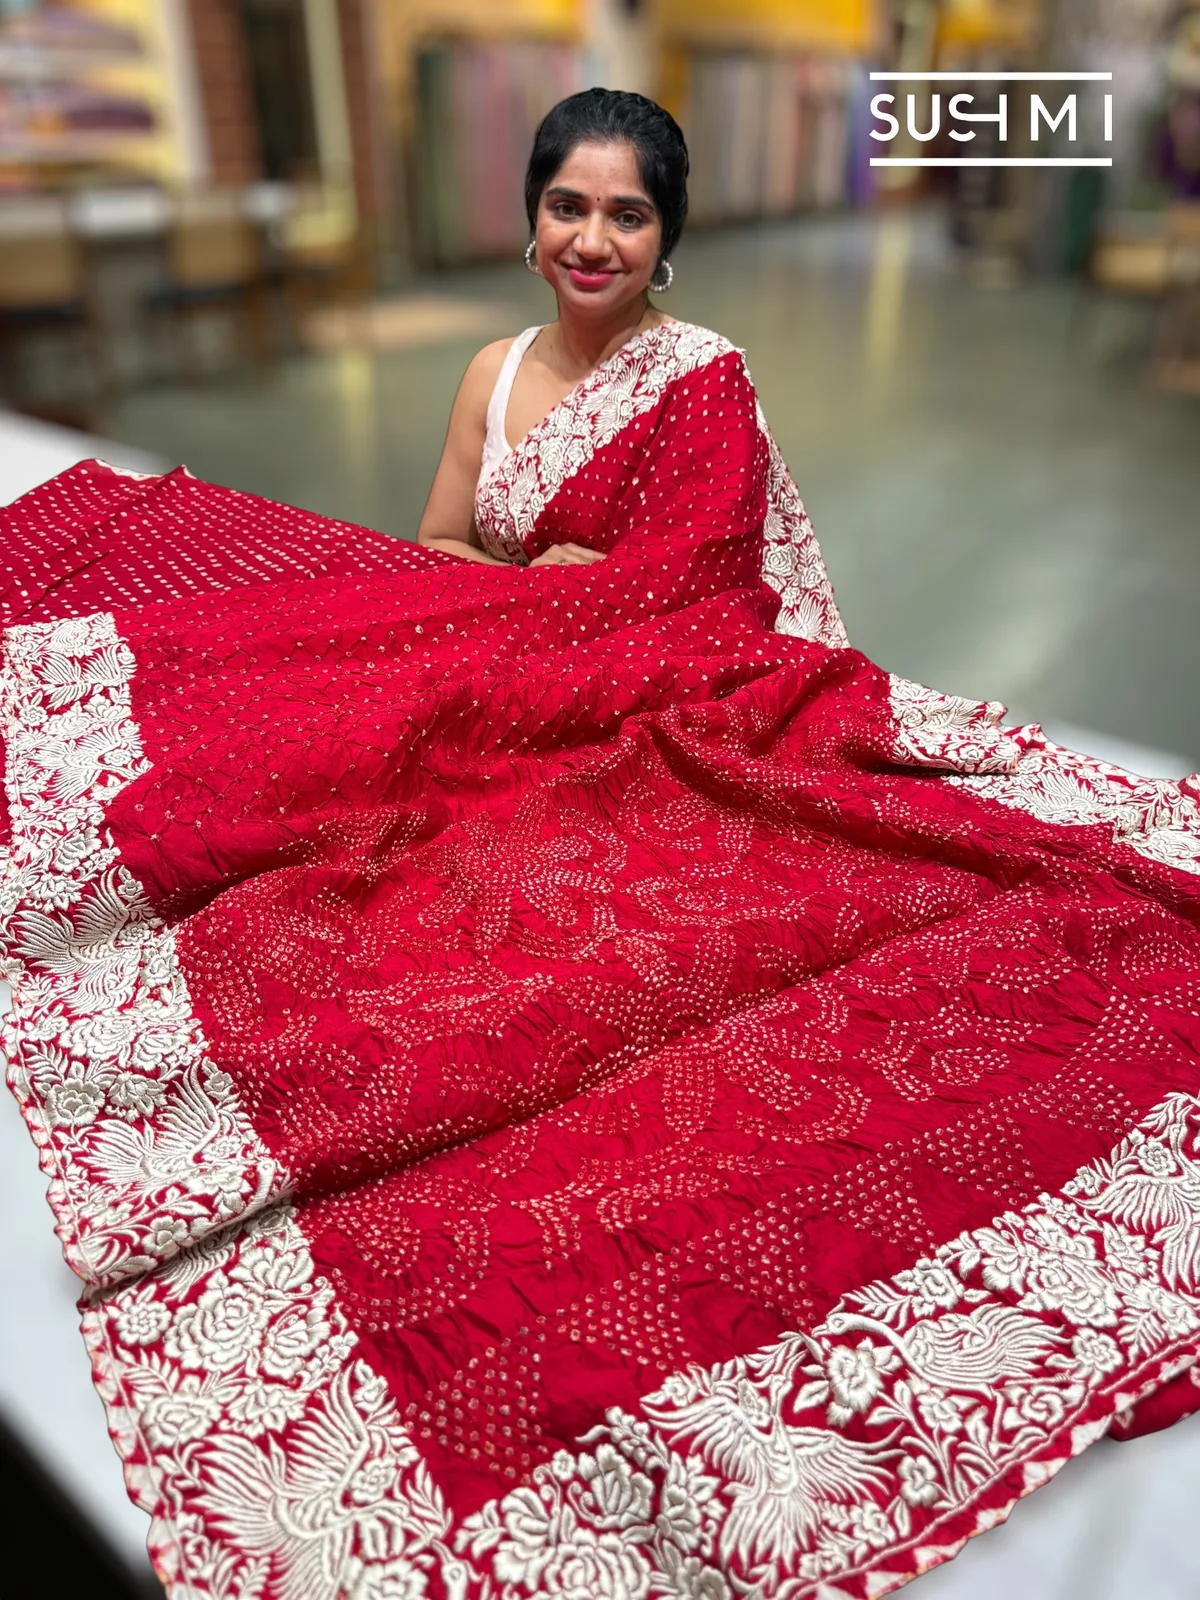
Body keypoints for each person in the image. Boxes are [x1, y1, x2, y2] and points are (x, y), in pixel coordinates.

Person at [2, 90, 1200, 1600]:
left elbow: (703, 605)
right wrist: (531, 596)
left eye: (627, 214)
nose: (592, 237)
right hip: (520, 658)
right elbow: (430, 553)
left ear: (668, 239)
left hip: (653, 689)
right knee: (285, 723)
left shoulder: (703, 382)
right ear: (530, 216)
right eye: (569, 205)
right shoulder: (491, 375)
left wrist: (561, 603)